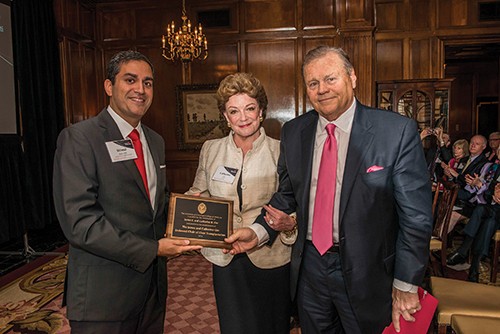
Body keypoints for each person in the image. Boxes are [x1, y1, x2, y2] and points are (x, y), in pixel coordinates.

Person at [224, 46, 433, 334]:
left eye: (330, 79)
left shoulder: (395, 132)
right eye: (313, 83)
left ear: (352, 78)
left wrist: (406, 283)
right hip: (310, 268)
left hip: (369, 272)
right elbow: (287, 195)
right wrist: (257, 232)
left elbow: (416, 218)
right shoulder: (295, 132)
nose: (322, 89)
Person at [53, 50, 202, 334]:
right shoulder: (80, 138)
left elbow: (153, 207)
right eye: (130, 80)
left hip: (151, 293)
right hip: (103, 296)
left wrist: (187, 211)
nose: (140, 90)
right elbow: (80, 224)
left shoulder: (155, 141)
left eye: (147, 82)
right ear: (109, 86)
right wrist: (154, 249)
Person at [185, 72, 297, 334]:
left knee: (272, 325)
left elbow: (294, 203)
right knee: (234, 326)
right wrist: (187, 207)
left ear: (261, 111)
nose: (243, 117)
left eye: (250, 108)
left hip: (270, 256)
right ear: (225, 117)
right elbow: (198, 192)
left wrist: (291, 223)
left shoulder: (282, 150)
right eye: (234, 111)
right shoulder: (210, 149)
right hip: (225, 257)